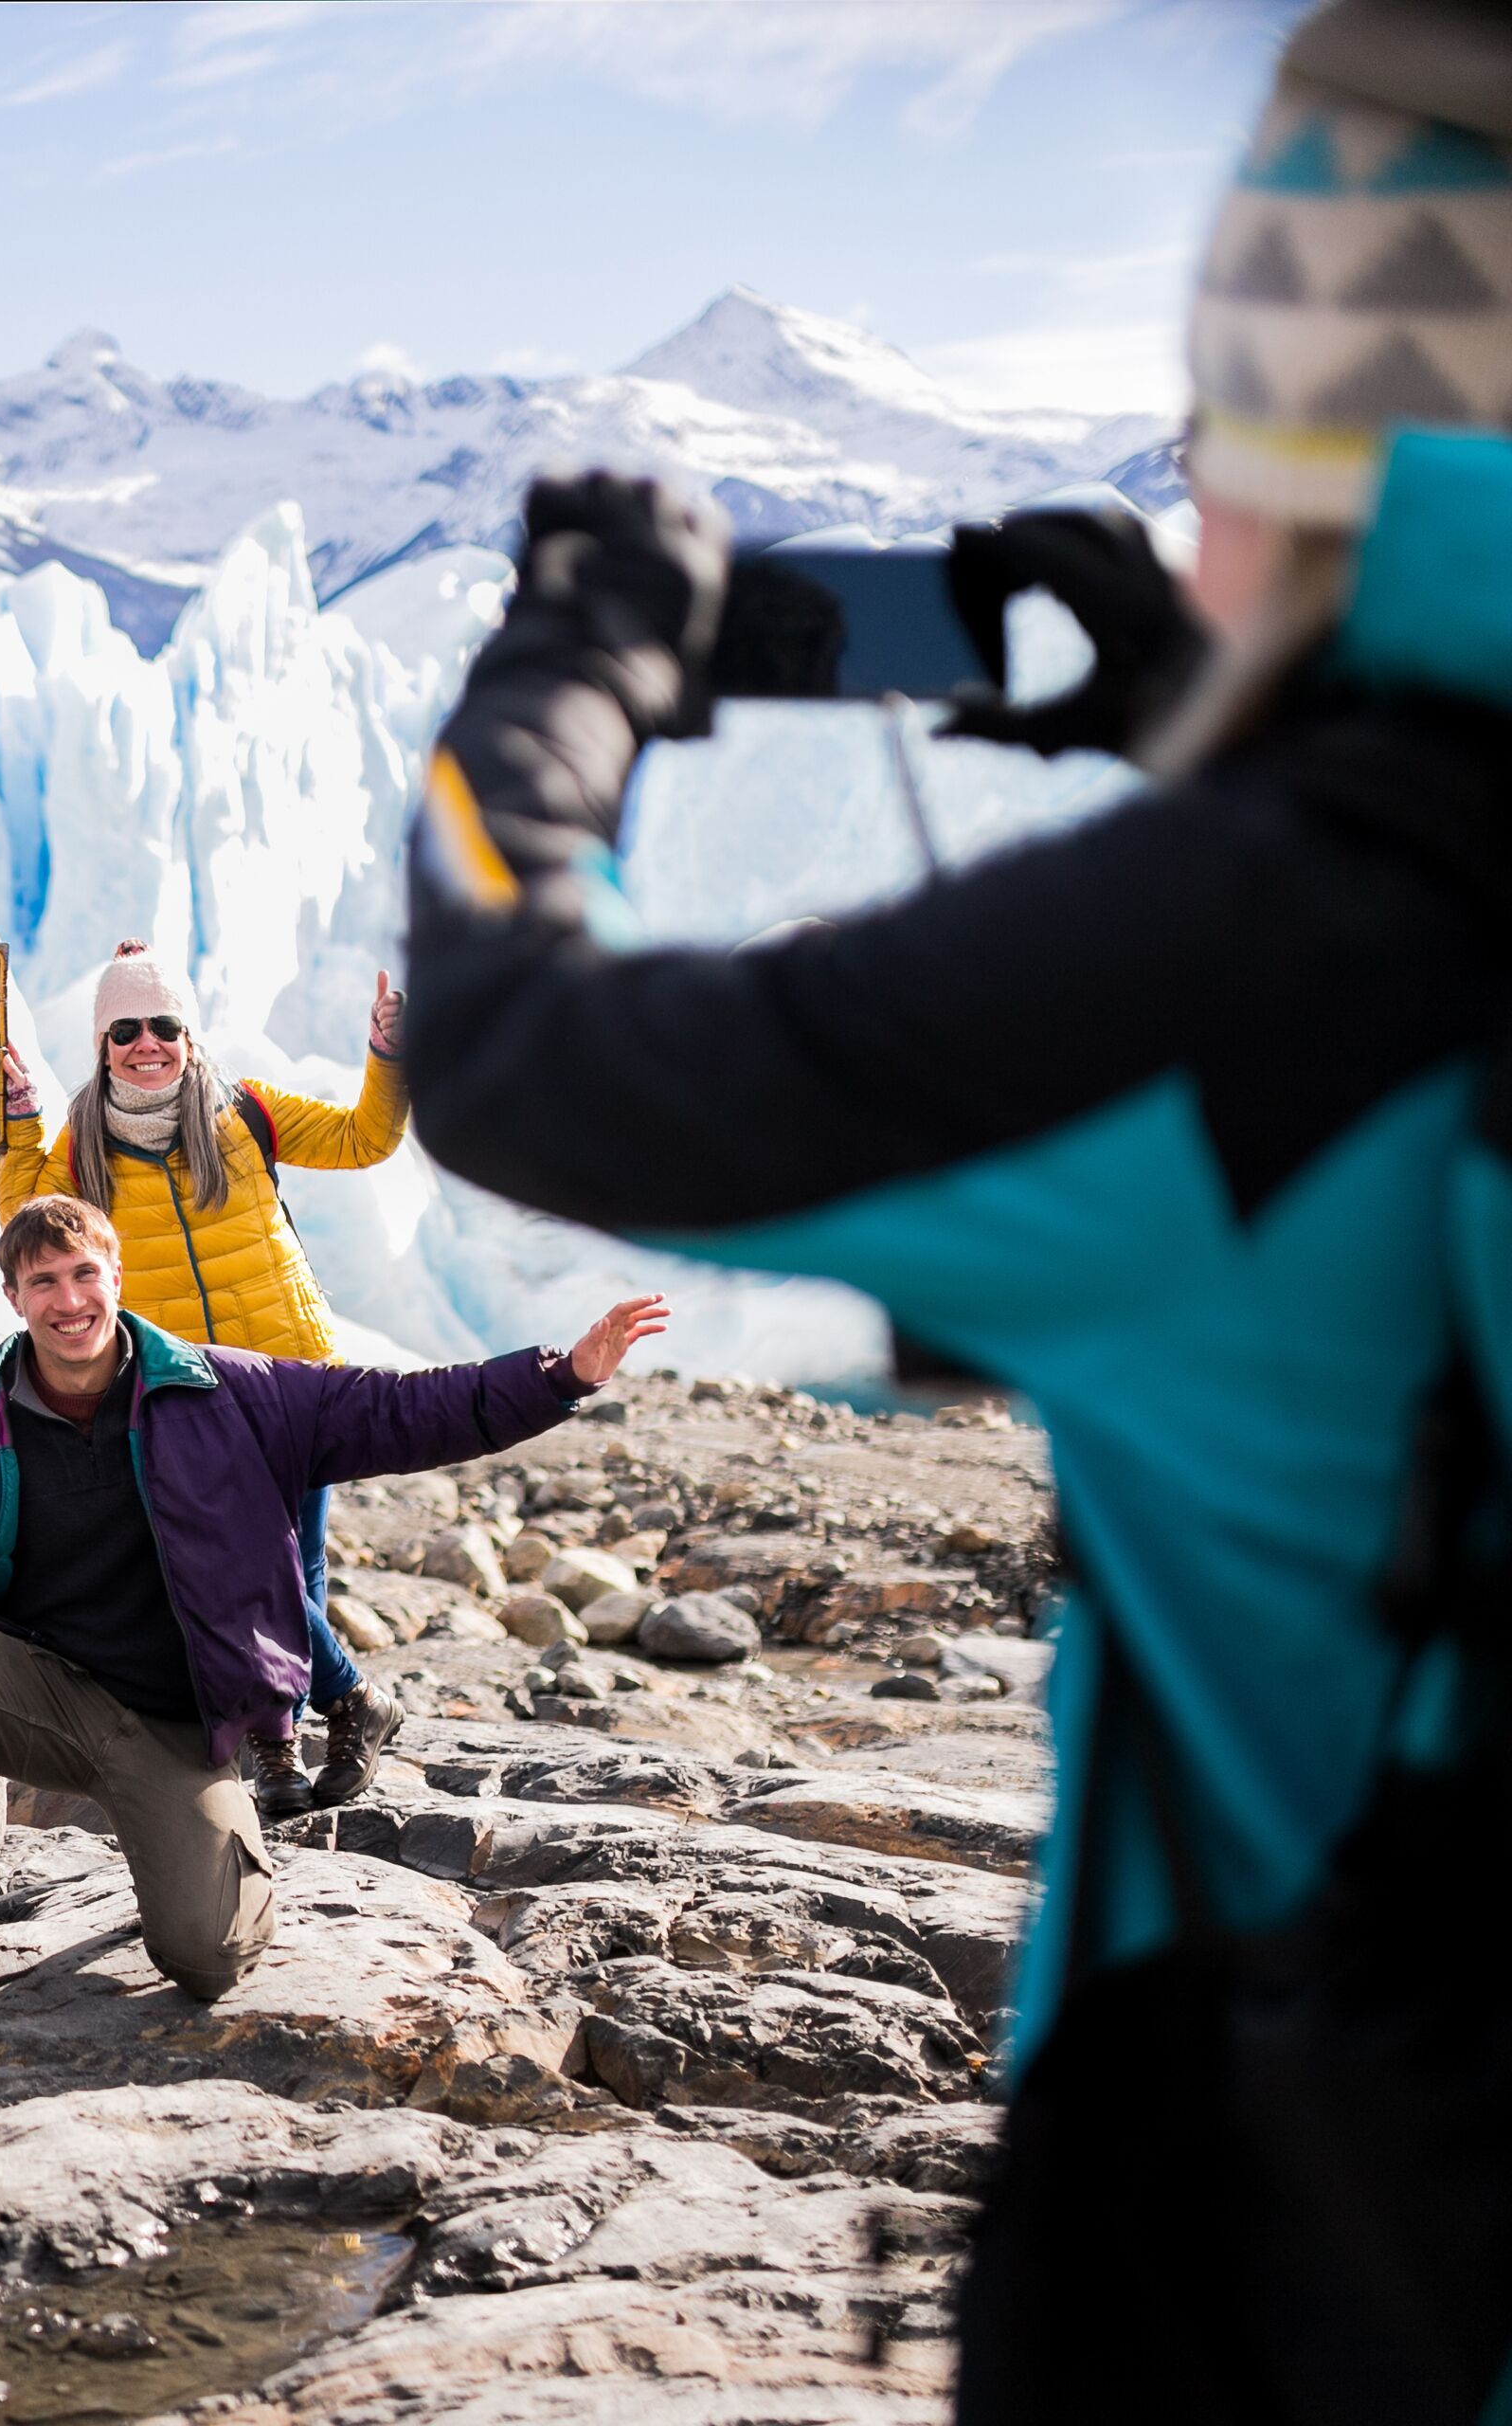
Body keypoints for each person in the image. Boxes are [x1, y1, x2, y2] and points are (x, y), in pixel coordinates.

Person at [396, 6, 1512, 2410]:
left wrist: (571, 660)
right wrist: (1206, 703)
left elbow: (508, 1050)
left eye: (1215, 432)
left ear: (1306, 430)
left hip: (1316, 2243)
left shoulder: (1234, 961)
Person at [0, 1192, 663, 2068]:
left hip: (179, 1723)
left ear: (117, 1277)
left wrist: (561, 1378)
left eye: (84, 1274)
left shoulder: (228, 1392)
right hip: (41, 1695)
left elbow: (404, 1411)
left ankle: (211, 1846)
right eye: (44, 1281)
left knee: (210, 1960)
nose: (69, 1301)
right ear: (14, 1299)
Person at [0, 944, 416, 1818]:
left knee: (292, 1569)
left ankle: (283, 1739)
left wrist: (386, 1057)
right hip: (184, 1389)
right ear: (102, 1041)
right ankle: (338, 1709)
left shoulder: (246, 1113)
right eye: (125, 1030)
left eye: (163, 1026)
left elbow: (364, 1139)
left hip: (292, 1371)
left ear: (189, 1034)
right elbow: (25, 1222)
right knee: (236, 1569)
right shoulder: (82, 1150)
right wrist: (20, 1120)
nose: (145, 1044)